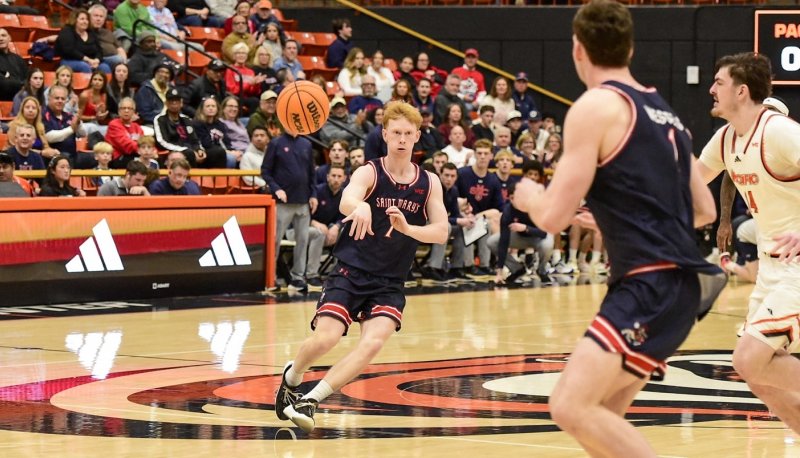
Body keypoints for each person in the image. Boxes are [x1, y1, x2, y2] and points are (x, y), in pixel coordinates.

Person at [511, 2, 722, 456]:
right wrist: (618, 217)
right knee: (601, 417)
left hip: (651, 282)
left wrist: (527, 196)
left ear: (577, 50)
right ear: (629, 48)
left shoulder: (595, 106)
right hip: (679, 283)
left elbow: (550, 218)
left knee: (570, 405)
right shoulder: (666, 113)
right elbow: (703, 209)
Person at [276, 101, 449, 432]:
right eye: (395, 132)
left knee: (372, 343)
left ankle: (311, 400)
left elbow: (441, 232)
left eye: (407, 133)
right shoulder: (370, 171)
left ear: (417, 137)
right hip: (350, 271)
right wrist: (361, 208)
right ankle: (293, 375)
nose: (401, 139)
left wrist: (409, 230)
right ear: (384, 134)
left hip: (389, 281)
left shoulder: (429, 182)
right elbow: (346, 199)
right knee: (326, 339)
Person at [694, 51, 800, 436]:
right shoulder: (725, 139)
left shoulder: (779, 132)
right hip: (772, 268)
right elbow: (688, 190)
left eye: (718, 82)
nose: (711, 89)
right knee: (758, 378)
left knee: (750, 359)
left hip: (798, 265)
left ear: (741, 91)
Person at [261, 128, 317, 291]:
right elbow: (265, 171)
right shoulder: (276, 143)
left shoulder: (306, 143)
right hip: (282, 202)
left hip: (303, 201)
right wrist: (276, 189)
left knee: (303, 239)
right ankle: (270, 278)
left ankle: (298, 277)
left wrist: (313, 194)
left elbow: (311, 172)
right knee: (275, 240)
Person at [489, 181, 554, 285]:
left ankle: (541, 271)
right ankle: (517, 269)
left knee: (547, 245)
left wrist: (525, 228)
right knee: (492, 242)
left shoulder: (536, 207)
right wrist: (499, 272)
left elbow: (544, 233)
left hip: (538, 237)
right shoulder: (508, 212)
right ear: (511, 198)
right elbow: (503, 241)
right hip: (520, 238)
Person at [305, 164, 347, 286]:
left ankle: (339, 273)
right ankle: (311, 275)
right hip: (301, 229)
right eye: (333, 176)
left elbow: (344, 216)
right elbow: (302, 215)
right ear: (327, 177)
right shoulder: (316, 191)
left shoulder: (344, 195)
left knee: (347, 232)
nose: (336, 179)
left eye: (339, 176)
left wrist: (336, 226)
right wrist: (315, 223)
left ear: (344, 178)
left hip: (327, 230)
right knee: (318, 233)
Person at [154, 88, 208, 167]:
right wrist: (183, 149)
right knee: (189, 154)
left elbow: (195, 139)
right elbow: (161, 141)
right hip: (173, 151)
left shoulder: (186, 119)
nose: (174, 103)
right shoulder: (160, 119)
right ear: (166, 103)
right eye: (171, 101)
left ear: (181, 103)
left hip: (189, 150)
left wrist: (199, 150)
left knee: (216, 152)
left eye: (177, 101)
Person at [54, 9, 111, 74]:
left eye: (87, 19)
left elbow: (99, 50)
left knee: (105, 67)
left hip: (91, 61)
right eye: (82, 19)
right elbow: (69, 50)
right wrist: (88, 60)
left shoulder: (91, 32)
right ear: (75, 20)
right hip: (69, 60)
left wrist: (96, 60)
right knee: (84, 66)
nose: (85, 21)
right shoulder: (67, 31)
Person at [43, 85, 87, 167]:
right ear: (49, 98)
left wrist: (78, 122)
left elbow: (82, 134)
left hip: (73, 155)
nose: (60, 101)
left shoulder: (69, 115)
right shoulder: (44, 115)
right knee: (65, 157)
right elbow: (49, 137)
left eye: (63, 99)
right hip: (54, 157)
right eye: (57, 98)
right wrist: (71, 129)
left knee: (97, 156)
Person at [193, 96, 241, 168]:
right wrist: (228, 152)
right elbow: (206, 144)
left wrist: (234, 151)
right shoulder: (197, 124)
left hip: (222, 152)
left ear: (217, 109)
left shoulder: (220, 124)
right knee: (230, 158)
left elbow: (227, 142)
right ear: (202, 109)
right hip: (207, 153)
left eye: (213, 106)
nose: (211, 108)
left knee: (241, 156)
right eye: (208, 106)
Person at [7, 97, 60, 161]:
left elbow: (46, 146)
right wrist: (41, 153)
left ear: (38, 111)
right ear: (22, 110)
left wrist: (52, 152)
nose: (30, 110)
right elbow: (17, 149)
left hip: (38, 157)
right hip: (17, 158)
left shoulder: (40, 127)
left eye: (34, 108)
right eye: (27, 107)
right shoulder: (15, 126)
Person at [105, 97, 143, 168]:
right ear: (119, 111)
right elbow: (125, 145)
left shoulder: (137, 127)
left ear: (134, 112)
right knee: (140, 163)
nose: (126, 111)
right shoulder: (113, 124)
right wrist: (143, 149)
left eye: (129, 108)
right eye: (123, 108)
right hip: (118, 158)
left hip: (134, 155)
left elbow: (144, 142)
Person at [87, 3, 127, 69]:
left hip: (116, 59)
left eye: (101, 16)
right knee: (117, 60)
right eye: (96, 16)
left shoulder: (108, 32)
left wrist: (124, 62)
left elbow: (119, 48)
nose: (98, 19)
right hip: (100, 59)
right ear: (89, 17)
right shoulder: (86, 32)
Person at [450, 48, 485, 113]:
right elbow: (449, 89)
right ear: (465, 59)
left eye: (473, 57)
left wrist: (477, 102)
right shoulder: (456, 71)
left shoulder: (479, 75)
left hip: (473, 105)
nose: (470, 60)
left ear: (476, 59)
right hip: (457, 102)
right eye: (468, 57)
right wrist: (463, 97)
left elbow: (482, 92)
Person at [0, 28, 28, 101]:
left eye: (3, 35)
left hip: (21, 98)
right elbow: (4, 84)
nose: (1, 39)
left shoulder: (18, 58)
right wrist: (21, 84)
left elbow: (28, 78)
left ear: (9, 38)